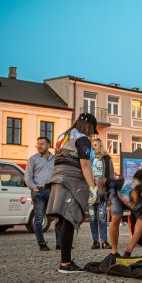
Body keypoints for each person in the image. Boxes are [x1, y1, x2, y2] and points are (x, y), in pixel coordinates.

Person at [46, 113, 99, 273]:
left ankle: (65, 260)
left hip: (57, 179)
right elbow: (85, 165)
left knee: (63, 220)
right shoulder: (82, 138)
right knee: (69, 218)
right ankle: (65, 264)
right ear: (88, 126)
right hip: (70, 181)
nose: (92, 134)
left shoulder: (63, 136)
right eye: (92, 130)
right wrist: (93, 187)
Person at [24, 137, 61, 251]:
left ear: (48, 145)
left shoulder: (56, 159)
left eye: (42, 144)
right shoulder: (33, 159)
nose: (39, 146)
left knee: (59, 217)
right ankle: (42, 243)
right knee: (39, 218)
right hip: (39, 192)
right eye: (38, 144)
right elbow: (27, 176)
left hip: (53, 191)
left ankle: (59, 243)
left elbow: (60, 174)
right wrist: (34, 188)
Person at [88, 138, 113, 249]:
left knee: (102, 217)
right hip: (91, 191)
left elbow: (111, 176)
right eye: (92, 145)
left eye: (95, 145)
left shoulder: (107, 159)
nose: (93, 147)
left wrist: (111, 191)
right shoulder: (88, 160)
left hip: (102, 191)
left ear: (100, 146)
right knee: (92, 218)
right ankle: (95, 241)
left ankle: (104, 241)